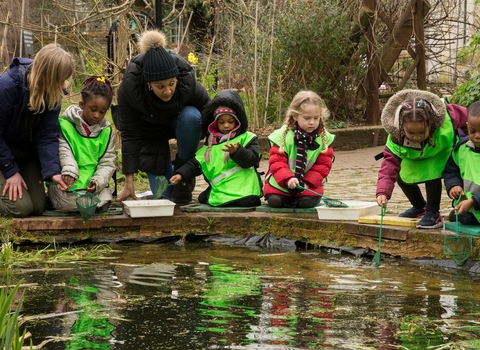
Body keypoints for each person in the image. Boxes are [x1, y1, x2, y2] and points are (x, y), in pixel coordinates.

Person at [114, 29, 210, 204]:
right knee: (165, 194)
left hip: (180, 122)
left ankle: (183, 171)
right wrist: (129, 181)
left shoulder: (185, 81)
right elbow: (130, 134)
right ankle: (172, 173)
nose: (168, 91)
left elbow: (210, 113)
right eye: (160, 86)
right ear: (148, 83)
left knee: (191, 116)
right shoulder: (130, 89)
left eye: (171, 84)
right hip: (150, 135)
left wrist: (195, 167)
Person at [0, 44, 75, 218]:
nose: (64, 85)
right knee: (21, 208)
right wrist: (10, 171)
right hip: (3, 155)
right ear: (45, 76)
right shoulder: (6, 88)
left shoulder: (52, 93)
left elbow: (47, 135)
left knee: (37, 206)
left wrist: (53, 171)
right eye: (60, 80)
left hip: (22, 154)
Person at [376, 89, 467, 229]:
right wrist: (383, 192)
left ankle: (433, 212)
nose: (416, 137)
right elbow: (388, 166)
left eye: (421, 132)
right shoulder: (396, 137)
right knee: (402, 176)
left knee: (432, 175)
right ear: (401, 127)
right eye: (410, 133)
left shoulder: (447, 115)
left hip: (439, 154)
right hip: (414, 158)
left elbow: (470, 116)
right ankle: (419, 206)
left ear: (430, 124)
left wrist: (470, 138)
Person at [169, 89, 263, 207]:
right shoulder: (209, 145)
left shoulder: (248, 138)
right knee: (204, 199)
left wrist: (237, 152)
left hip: (245, 189)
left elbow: (252, 159)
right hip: (221, 188)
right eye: (221, 122)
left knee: (247, 202)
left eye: (230, 121)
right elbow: (196, 164)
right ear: (214, 123)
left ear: (238, 120)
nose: (226, 125)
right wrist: (181, 174)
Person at [47, 76, 116, 213]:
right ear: (82, 105)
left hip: (94, 189)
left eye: (102, 112)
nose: (97, 115)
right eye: (93, 109)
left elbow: (108, 162)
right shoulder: (64, 125)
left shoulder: (107, 131)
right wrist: (69, 172)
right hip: (68, 185)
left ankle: (90, 201)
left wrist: (97, 182)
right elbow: (63, 152)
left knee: (99, 200)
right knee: (72, 203)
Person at [263, 90, 335, 208]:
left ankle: (301, 197)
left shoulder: (324, 139)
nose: (312, 122)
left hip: (308, 184)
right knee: (275, 201)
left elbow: (323, 166)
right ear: (295, 116)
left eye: (316, 118)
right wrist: (288, 179)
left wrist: (307, 183)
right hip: (282, 182)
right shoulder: (282, 136)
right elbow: (277, 162)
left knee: (306, 203)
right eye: (307, 118)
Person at [442, 100, 480, 225]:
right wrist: (454, 185)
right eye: (472, 131)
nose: (477, 136)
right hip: (470, 205)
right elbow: (450, 171)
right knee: (462, 218)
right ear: (467, 126)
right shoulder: (460, 149)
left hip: (474, 202)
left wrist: (473, 201)